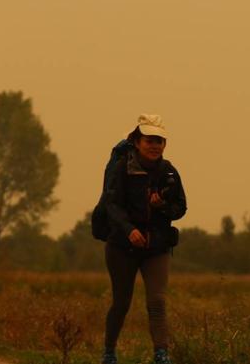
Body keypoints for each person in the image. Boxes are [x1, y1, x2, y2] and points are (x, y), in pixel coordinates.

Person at [101, 114, 187, 364]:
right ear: (137, 142)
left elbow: (181, 208)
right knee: (121, 303)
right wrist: (129, 230)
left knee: (157, 301)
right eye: (149, 140)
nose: (155, 145)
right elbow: (111, 206)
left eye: (159, 141)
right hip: (121, 246)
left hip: (156, 247)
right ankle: (109, 352)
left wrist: (162, 207)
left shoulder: (170, 172)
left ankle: (161, 354)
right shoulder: (122, 169)